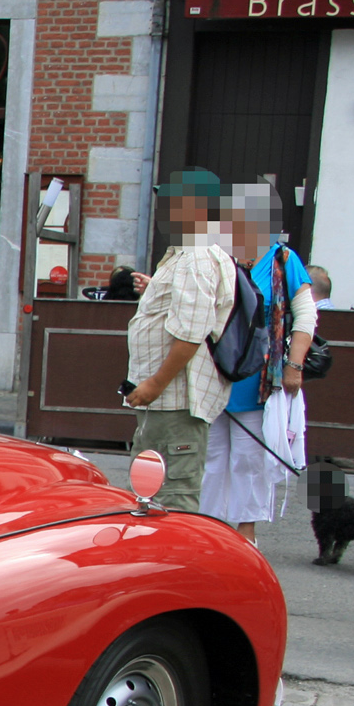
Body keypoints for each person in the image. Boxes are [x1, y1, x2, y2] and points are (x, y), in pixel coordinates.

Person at [200, 182, 310, 539]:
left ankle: (245, 534)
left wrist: (293, 366)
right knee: (211, 457)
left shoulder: (282, 259)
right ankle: (209, 529)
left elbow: (305, 315)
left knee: (247, 459)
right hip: (212, 374)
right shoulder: (212, 254)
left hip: (256, 378)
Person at [123, 169, 234, 514]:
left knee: (172, 499)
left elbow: (191, 334)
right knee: (151, 494)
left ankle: (175, 566)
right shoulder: (186, 253)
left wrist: (155, 384)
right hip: (167, 401)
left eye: (171, 202)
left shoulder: (196, 257)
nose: (162, 209)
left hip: (175, 400)